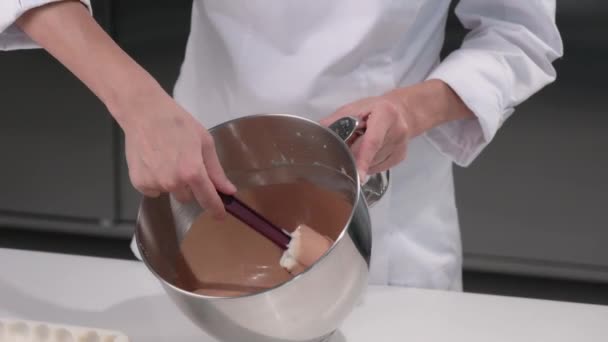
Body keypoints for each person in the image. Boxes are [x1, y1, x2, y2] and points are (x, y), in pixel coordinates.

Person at [0, 1, 563, 291]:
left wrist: (411, 109)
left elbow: (520, 34)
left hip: (384, 222)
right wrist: (135, 101)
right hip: (203, 183)